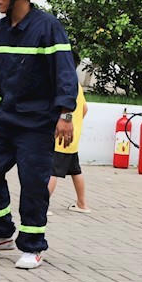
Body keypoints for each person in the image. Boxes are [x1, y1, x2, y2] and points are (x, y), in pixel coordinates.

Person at [0, 0, 78, 270]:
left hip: (39, 121)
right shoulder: (0, 30)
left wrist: (66, 115)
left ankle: (32, 246)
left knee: (32, 183)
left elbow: (65, 73)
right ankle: (1, 233)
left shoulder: (48, 28)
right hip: (7, 119)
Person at [49, 48, 90, 213]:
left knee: (51, 170)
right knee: (75, 170)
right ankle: (82, 204)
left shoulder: (62, 84)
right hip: (74, 137)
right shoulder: (77, 85)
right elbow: (85, 109)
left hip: (61, 137)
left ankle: (43, 204)